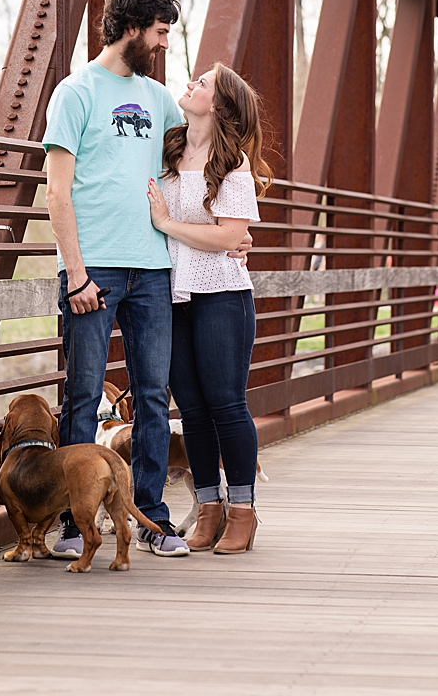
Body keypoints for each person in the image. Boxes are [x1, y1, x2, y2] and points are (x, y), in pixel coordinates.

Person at [44, 0, 192, 557]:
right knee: (82, 396)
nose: (162, 46)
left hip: (151, 269)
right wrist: (75, 274)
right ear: (130, 28)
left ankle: (152, 518)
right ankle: (72, 523)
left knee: (153, 395)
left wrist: (231, 231)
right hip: (93, 270)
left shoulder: (159, 101)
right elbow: (57, 192)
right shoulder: (75, 93)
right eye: (158, 34)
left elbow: (195, 170)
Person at [146, 63, 269, 554]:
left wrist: (167, 224)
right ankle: (208, 508)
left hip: (221, 293)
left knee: (226, 404)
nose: (192, 83)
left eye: (204, 83)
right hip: (171, 294)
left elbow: (230, 236)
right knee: (192, 411)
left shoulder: (232, 161)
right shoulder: (167, 148)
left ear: (217, 105)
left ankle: (243, 512)